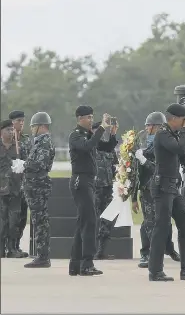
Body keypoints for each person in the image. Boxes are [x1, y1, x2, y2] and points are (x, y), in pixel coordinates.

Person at [148, 104, 185, 281]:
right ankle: (155, 271)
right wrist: (184, 132)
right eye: (184, 120)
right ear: (173, 119)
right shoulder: (162, 133)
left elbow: (182, 157)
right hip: (162, 187)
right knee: (162, 227)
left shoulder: (174, 135)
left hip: (173, 187)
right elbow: (179, 149)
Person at [68, 106, 118, 276]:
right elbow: (88, 146)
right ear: (79, 118)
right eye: (88, 117)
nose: (91, 120)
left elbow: (106, 147)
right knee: (90, 222)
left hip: (89, 181)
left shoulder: (88, 135)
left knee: (83, 222)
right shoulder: (75, 135)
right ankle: (87, 263)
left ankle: (76, 264)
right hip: (80, 180)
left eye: (92, 117)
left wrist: (111, 133)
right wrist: (101, 128)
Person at [133, 112, 180, 268]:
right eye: (147, 126)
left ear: (158, 127)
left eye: (150, 126)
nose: (147, 129)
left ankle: (168, 249)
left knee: (164, 221)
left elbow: (158, 168)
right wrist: (133, 196)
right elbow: (136, 174)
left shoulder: (162, 144)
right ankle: (146, 254)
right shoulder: (144, 145)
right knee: (149, 222)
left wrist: (144, 160)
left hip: (160, 186)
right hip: (147, 189)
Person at [23, 112, 55, 268]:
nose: (32, 129)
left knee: (40, 221)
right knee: (38, 220)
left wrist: (23, 165)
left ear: (42, 126)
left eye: (34, 126)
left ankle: (43, 257)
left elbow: (40, 164)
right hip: (34, 186)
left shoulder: (44, 143)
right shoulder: (38, 142)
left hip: (38, 187)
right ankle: (42, 255)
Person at [90, 121, 119, 260]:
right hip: (94, 188)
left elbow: (116, 166)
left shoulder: (108, 149)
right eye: (97, 132)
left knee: (107, 220)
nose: (100, 135)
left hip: (107, 188)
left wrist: (113, 133)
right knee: (92, 220)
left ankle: (101, 251)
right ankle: (90, 250)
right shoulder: (91, 146)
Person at [0, 120, 24, 258]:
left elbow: (27, 163)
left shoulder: (19, 147)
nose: (10, 132)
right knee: (2, 222)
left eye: (11, 130)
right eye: (7, 130)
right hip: (1, 190)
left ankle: (12, 249)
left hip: (15, 189)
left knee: (14, 220)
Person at [9, 110, 31, 257]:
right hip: (10, 185)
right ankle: (8, 247)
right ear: (12, 122)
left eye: (23, 121)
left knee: (22, 217)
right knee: (11, 217)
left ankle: (16, 246)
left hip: (24, 184)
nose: (21, 123)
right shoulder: (6, 139)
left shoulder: (27, 139)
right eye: (18, 121)